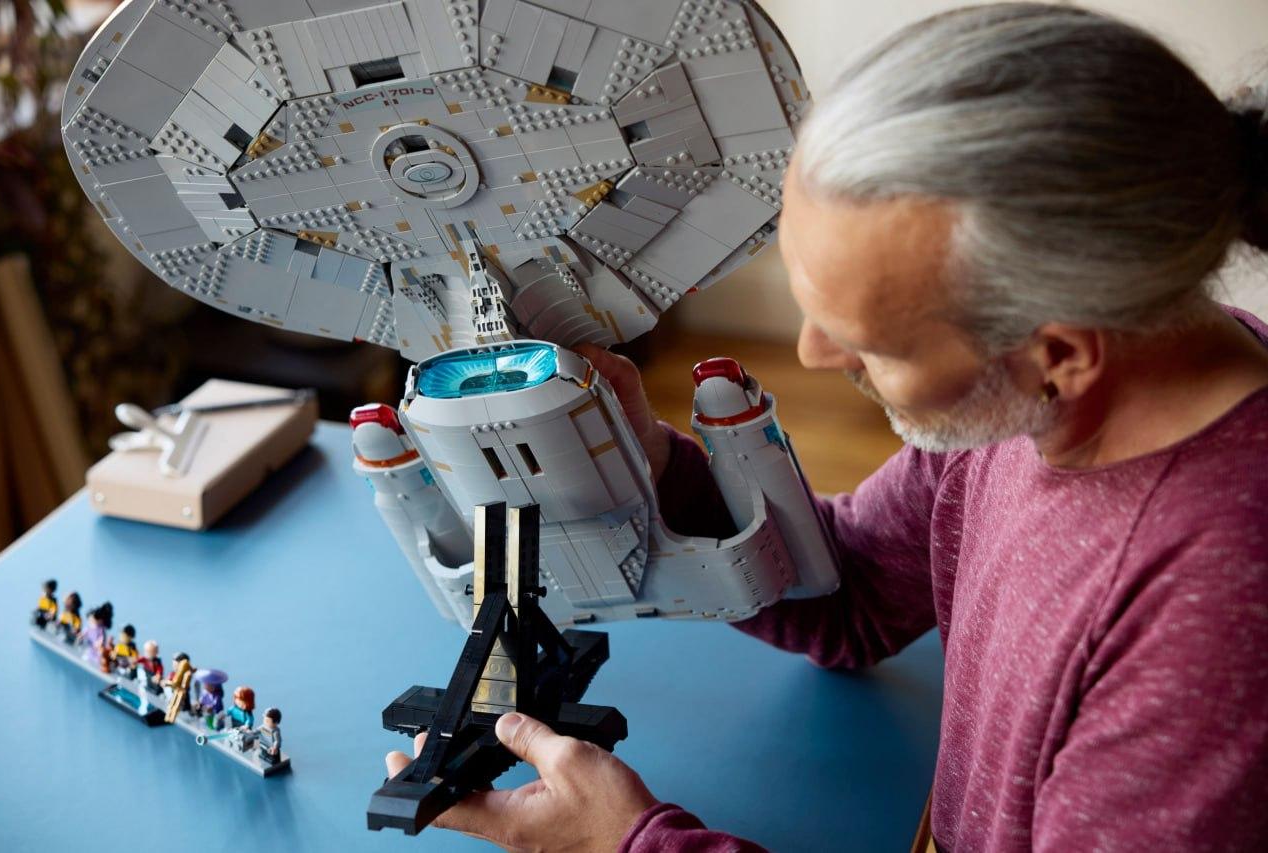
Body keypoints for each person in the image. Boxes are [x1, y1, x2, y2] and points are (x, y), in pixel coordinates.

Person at [383, 4, 1268, 851]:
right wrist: (646, 460)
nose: (812, 353)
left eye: (869, 341)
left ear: (1060, 352)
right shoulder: (1036, 403)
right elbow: (849, 598)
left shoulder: (1218, 620)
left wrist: (626, 841)